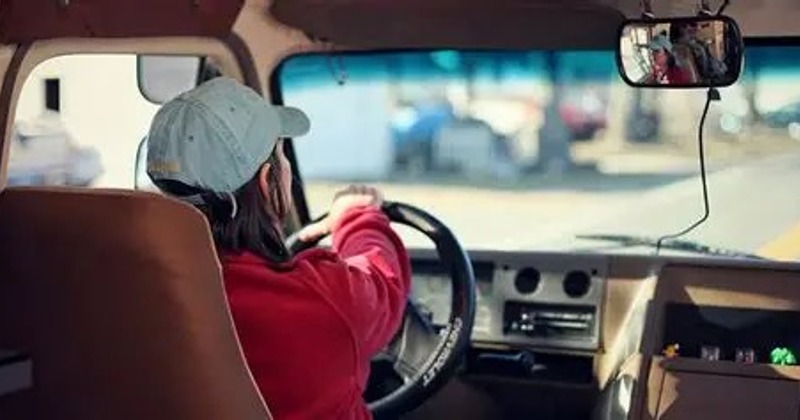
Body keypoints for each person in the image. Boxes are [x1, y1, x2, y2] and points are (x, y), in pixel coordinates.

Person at [145, 77, 412, 420]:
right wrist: (359, 217)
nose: (287, 169)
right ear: (266, 180)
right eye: (283, 155)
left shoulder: (141, 297)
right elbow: (383, 285)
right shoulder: (320, 298)